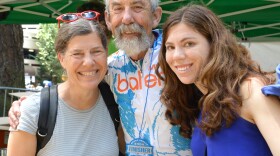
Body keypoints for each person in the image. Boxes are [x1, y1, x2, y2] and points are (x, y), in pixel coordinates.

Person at [9, 0, 195, 155]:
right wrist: (30, 106)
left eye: (137, 7)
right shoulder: (110, 67)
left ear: (155, 16)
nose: (127, 18)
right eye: (118, 8)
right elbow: (78, 79)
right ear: (108, 18)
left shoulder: (178, 59)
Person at [157, 4, 280, 156]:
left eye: (189, 44)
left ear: (214, 45)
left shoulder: (250, 90)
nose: (177, 55)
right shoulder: (204, 100)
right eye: (170, 47)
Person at [7, 16, 120, 155]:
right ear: (61, 58)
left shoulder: (117, 101)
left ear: (106, 53)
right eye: (77, 54)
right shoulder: (32, 112)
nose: (89, 62)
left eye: (96, 51)